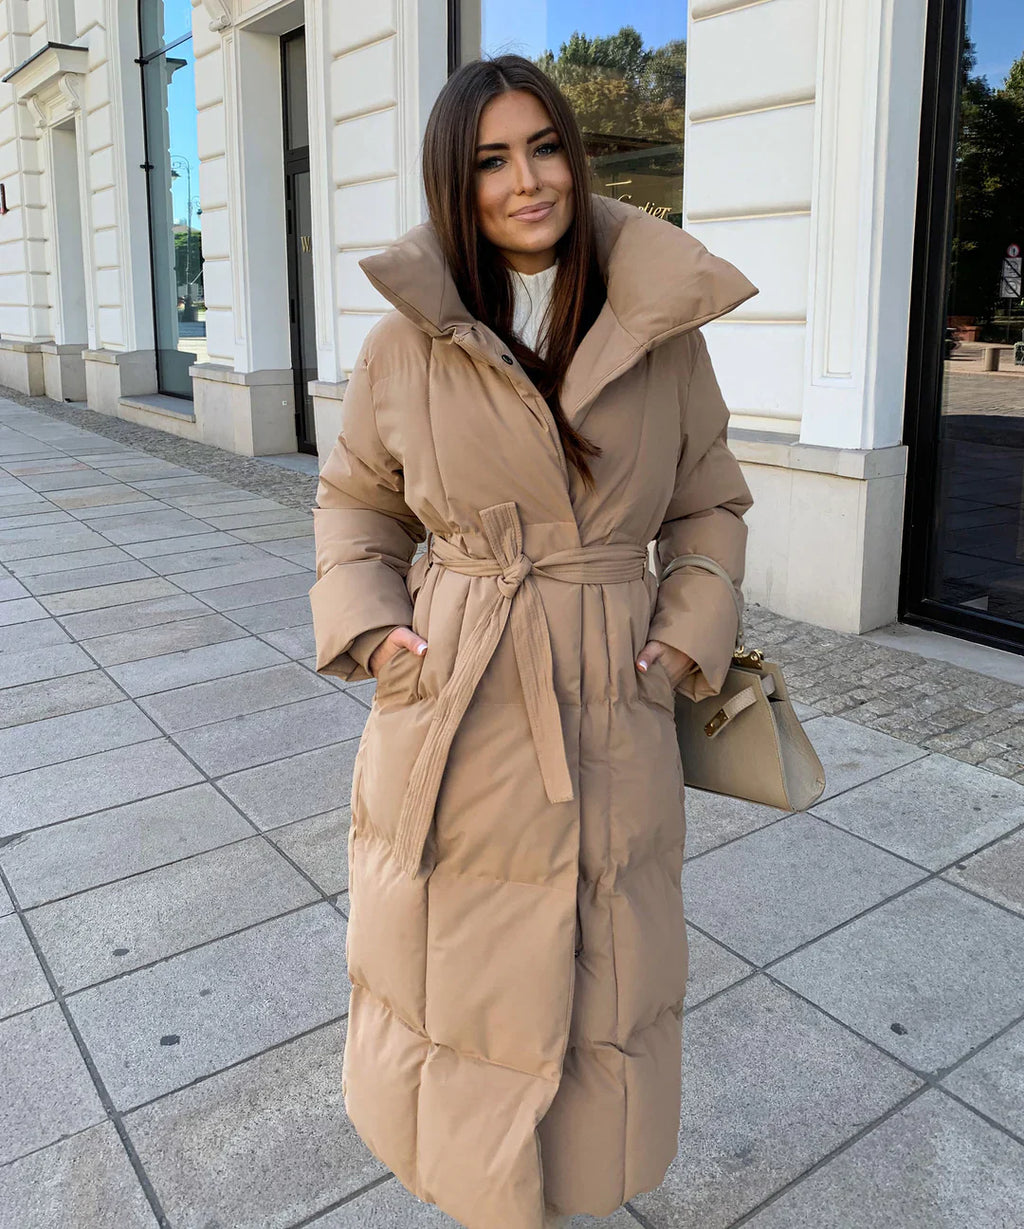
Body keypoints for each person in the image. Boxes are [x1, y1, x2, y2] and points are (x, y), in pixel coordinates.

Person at [310, 54, 758, 1229]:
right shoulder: (403, 344)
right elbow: (357, 503)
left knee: (603, 965)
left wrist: (682, 633)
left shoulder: (659, 329)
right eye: (490, 160)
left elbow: (710, 500)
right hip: (457, 686)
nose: (526, 181)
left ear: (577, 154)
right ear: (454, 185)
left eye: (544, 146)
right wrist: (378, 629)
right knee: (459, 974)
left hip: (614, 684)